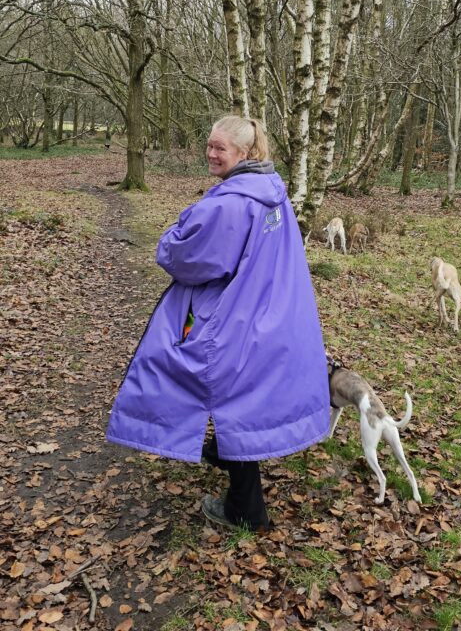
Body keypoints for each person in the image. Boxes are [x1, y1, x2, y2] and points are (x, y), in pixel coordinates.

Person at [106, 116, 331, 531]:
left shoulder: (231, 203)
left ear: (244, 153)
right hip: (270, 315)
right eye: (208, 145)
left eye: (220, 148)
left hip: (237, 319)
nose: (211, 154)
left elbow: (184, 258)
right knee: (244, 397)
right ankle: (223, 452)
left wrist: (174, 233)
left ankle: (246, 512)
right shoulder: (272, 192)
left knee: (224, 395)